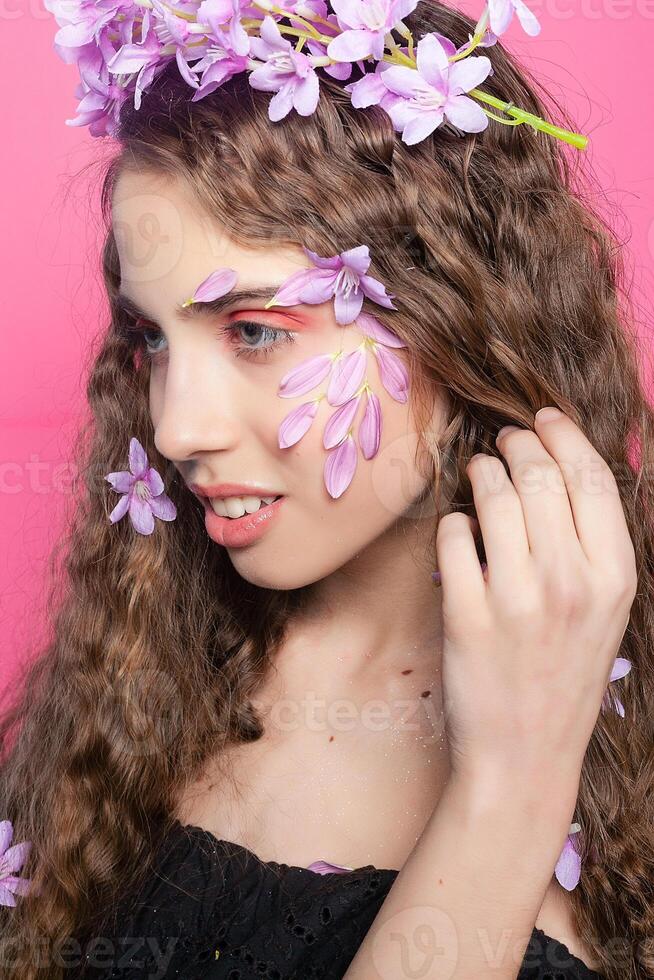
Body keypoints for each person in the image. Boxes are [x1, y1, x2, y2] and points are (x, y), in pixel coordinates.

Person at [1, 0, 651, 976]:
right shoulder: (142, 674)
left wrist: (514, 784)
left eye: (256, 330)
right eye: (150, 337)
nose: (177, 428)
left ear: (458, 318)